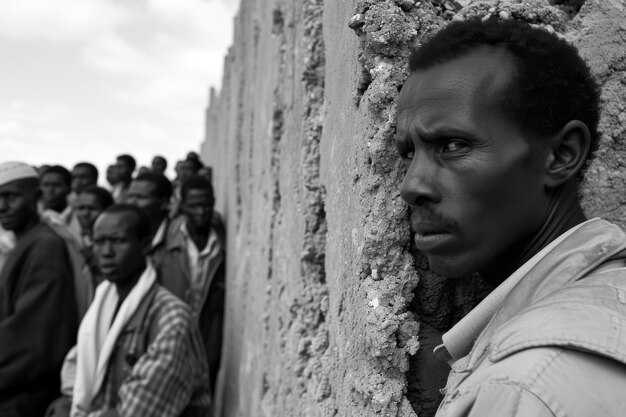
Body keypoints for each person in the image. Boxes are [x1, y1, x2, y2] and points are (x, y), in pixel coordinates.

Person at [396, 19, 624, 416]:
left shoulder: (522, 386)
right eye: (408, 152)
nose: (411, 185)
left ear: (562, 155)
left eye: (452, 145)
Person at [48, 204, 211, 417]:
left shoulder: (170, 318)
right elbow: (77, 368)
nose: (106, 252)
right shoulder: (104, 303)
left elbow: (138, 412)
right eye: (99, 242)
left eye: (118, 241)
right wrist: (68, 402)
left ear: (145, 245)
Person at [0, 161, 78, 417]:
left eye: (10, 197)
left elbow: (33, 339)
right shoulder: (24, 242)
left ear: (36, 197)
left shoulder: (44, 246)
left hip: (23, 398)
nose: (1, 207)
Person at [158, 175, 225, 392]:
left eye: (206, 205)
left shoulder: (221, 242)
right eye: (194, 205)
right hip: (173, 332)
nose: (201, 212)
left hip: (207, 332)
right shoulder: (170, 241)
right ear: (182, 205)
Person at [126, 172, 172, 266]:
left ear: (163, 203)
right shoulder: (123, 233)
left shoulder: (180, 236)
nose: (132, 203)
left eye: (141, 197)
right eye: (130, 196)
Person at [74, 185, 114, 289]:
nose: (85, 214)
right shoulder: (75, 238)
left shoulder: (114, 243)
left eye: (93, 209)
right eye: (81, 208)